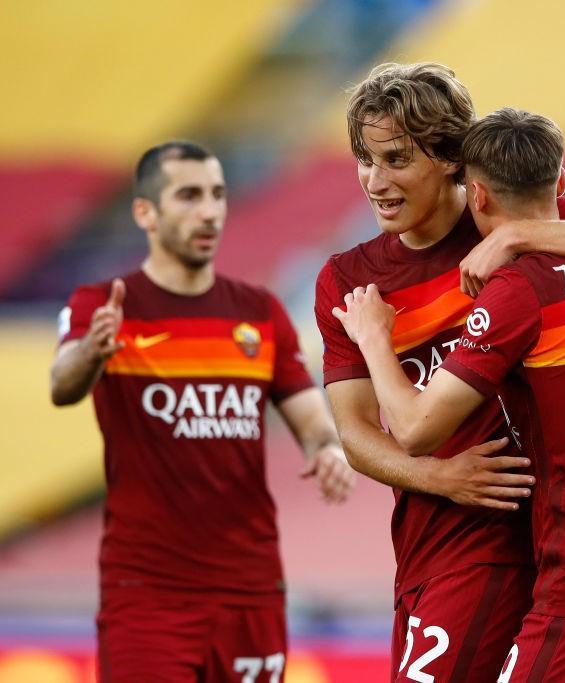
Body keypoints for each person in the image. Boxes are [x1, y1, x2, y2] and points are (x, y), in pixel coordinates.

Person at [314, 63, 565, 683]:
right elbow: (353, 432)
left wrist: (518, 237)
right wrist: (437, 477)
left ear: (455, 161)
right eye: (363, 159)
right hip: (430, 540)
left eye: (396, 160)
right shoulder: (348, 279)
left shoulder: (505, 224)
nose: (375, 181)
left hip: (507, 544)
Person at [50, 141, 356, 682]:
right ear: (145, 212)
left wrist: (326, 449)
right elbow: (62, 385)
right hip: (147, 594)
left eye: (217, 195)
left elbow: (309, 417)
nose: (210, 210)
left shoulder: (258, 312)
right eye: (189, 195)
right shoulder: (105, 305)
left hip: (251, 588)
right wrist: (92, 352)